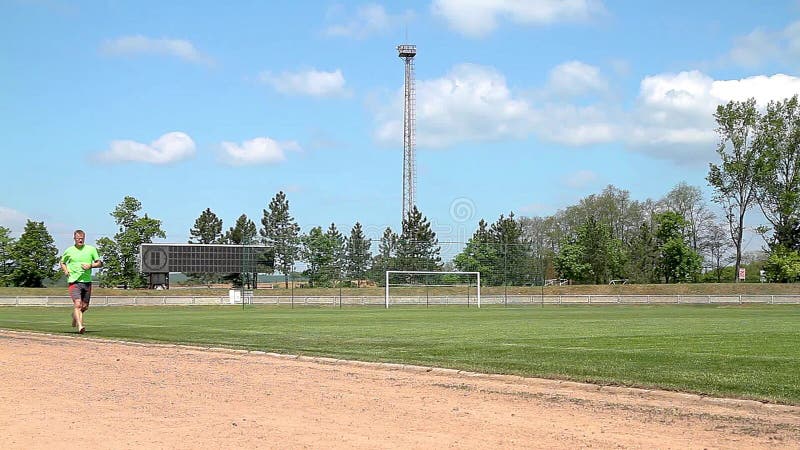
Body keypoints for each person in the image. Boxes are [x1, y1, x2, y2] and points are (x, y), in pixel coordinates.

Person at [60, 230, 102, 333]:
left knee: (84, 306)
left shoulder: (91, 249)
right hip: (74, 281)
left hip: (87, 282)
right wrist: (65, 270)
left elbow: (100, 263)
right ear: (74, 238)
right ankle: (80, 326)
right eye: (78, 238)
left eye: (82, 238)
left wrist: (90, 265)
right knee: (78, 304)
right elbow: (62, 262)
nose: (80, 240)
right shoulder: (69, 250)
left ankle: (75, 315)